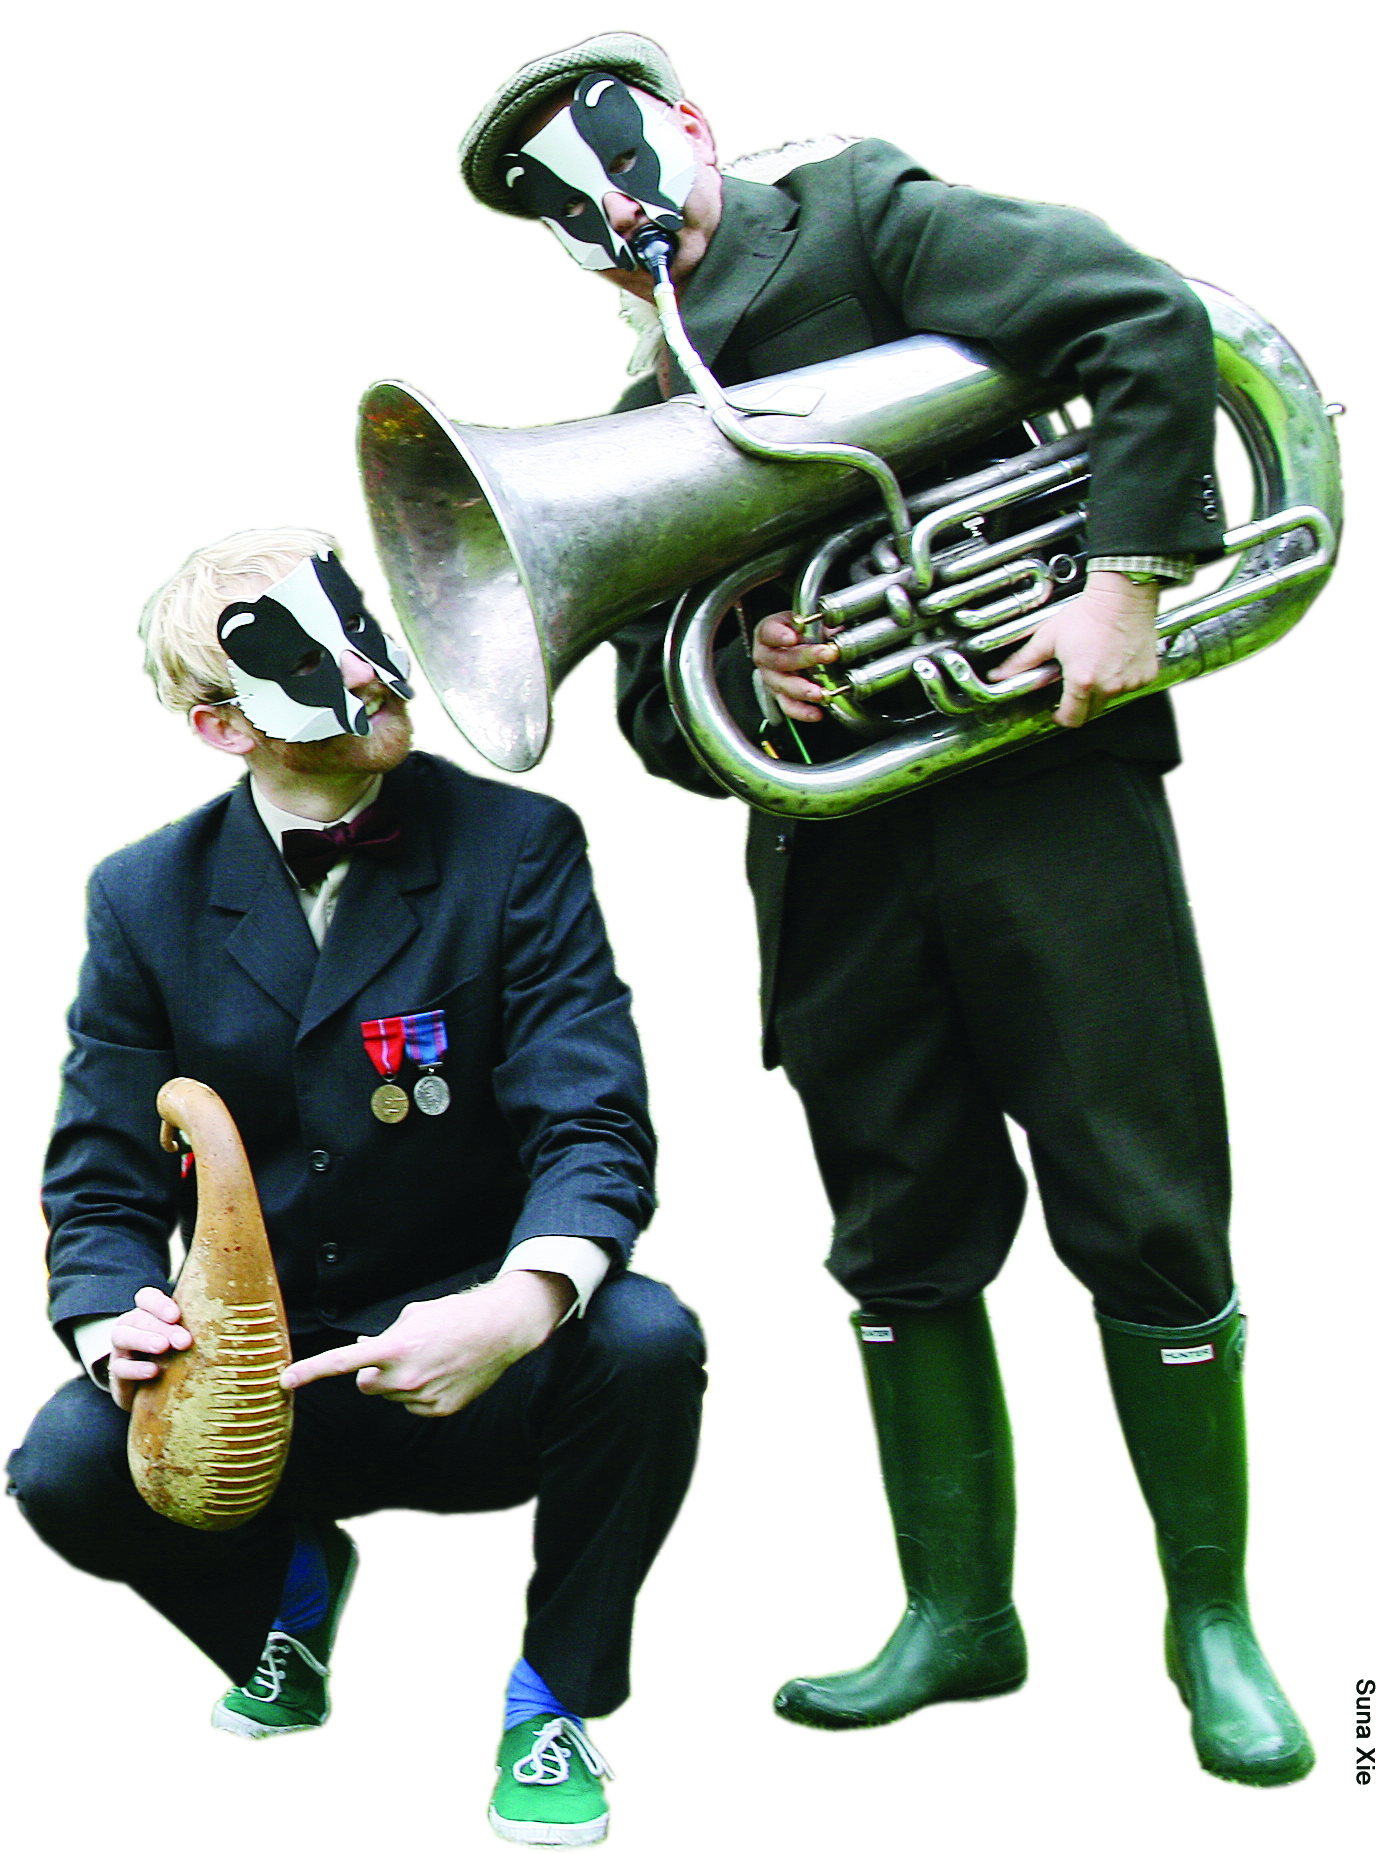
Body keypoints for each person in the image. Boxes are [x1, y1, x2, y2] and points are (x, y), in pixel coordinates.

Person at [456, 32, 1313, 1786]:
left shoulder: (867, 218)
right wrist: (760, 666)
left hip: (1045, 800)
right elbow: (652, 708)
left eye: (617, 155)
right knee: (898, 1220)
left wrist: (1126, 578)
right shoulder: (633, 423)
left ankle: (1213, 1622)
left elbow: (1140, 317)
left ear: (690, 128)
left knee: (1145, 1194)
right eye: (565, 207)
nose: (612, 213)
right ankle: (958, 1614)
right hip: (835, 855)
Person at [6, 526, 706, 1848]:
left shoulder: (520, 843)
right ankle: (286, 1591)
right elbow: (98, 1176)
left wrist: (518, 1305)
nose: (380, 675)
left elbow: (592, 1117)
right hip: (260, 1380)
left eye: (363, 631)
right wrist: (114, 1324)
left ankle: (555, 1697)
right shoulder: (141, 897)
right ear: (222, 726)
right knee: (62, 1470)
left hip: (481, 1355)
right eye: (314, 664)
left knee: (647, 1338)